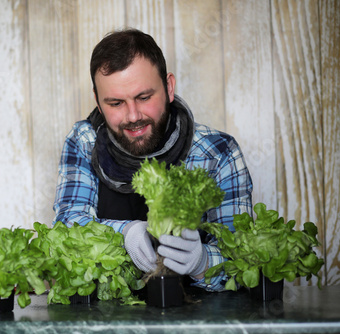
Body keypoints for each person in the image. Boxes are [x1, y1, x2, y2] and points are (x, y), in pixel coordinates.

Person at [53, 28, 253, 292]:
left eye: (144, 97)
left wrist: (203, 262)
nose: (133, 115)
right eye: (115, 103)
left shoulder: (217, 152)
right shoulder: (83, 141)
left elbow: (243, 264)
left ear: (168, 87)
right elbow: (67, 226)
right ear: (98, 102)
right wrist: (125, 233)